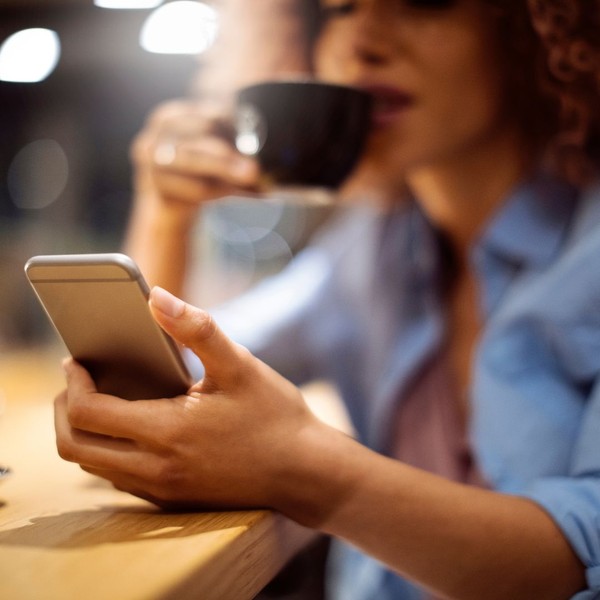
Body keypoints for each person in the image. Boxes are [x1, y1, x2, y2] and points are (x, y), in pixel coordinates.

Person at [54, 0, 600, 598]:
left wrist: (307, 470)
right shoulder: (370, 253)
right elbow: (175, 392)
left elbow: (581, 556)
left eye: (422, 3)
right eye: (336, 8)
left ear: (534, 29)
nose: (359, 43)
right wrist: (166, 212)